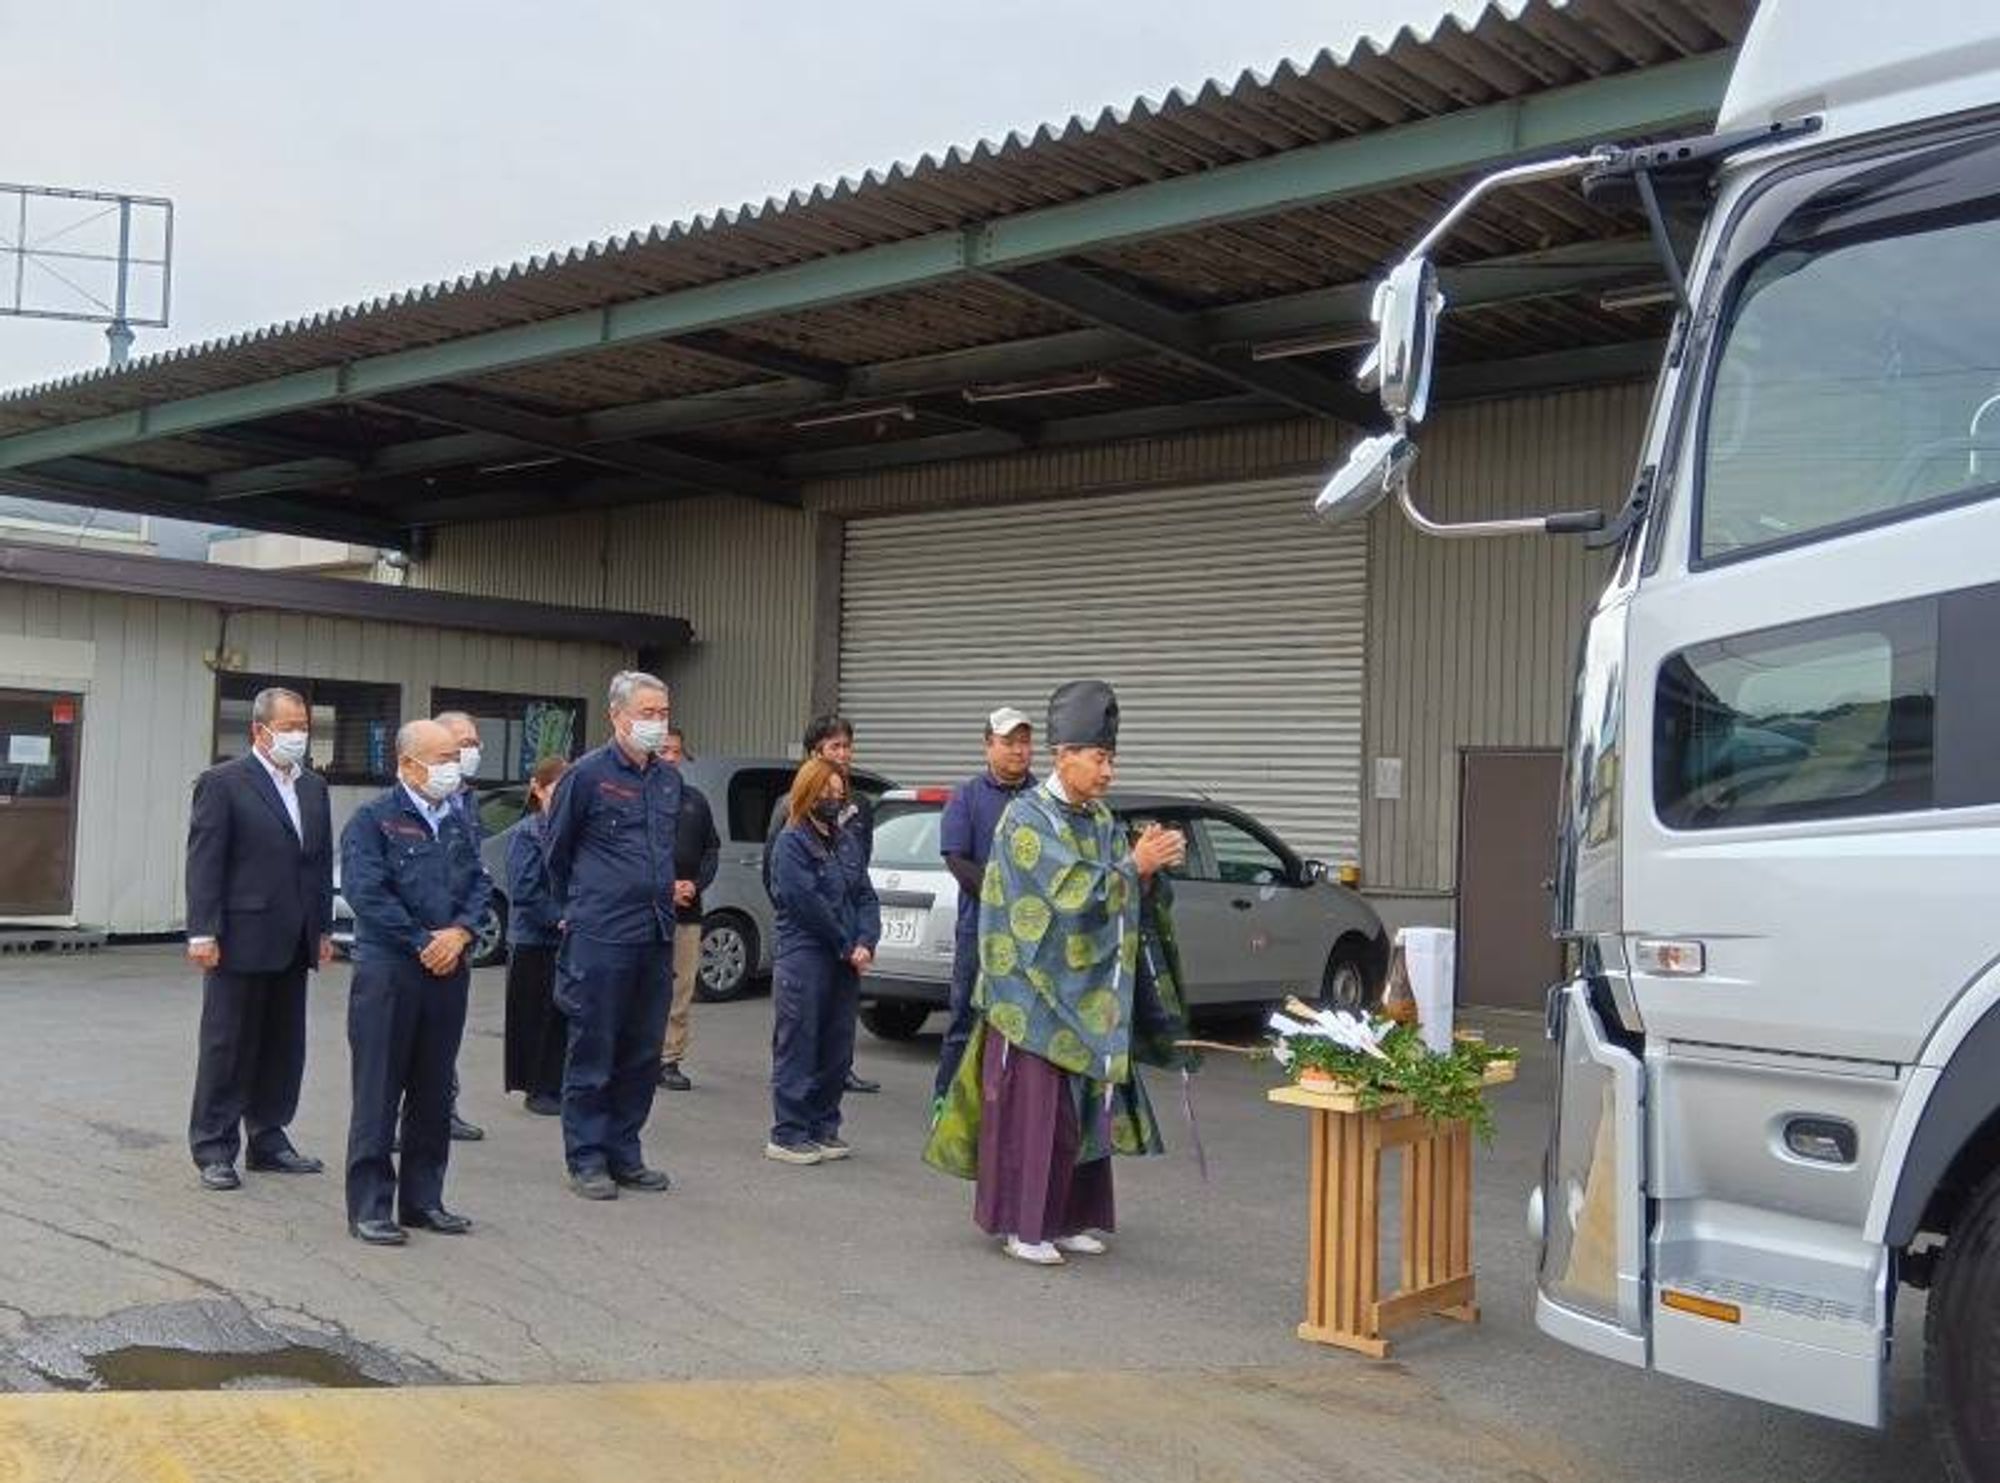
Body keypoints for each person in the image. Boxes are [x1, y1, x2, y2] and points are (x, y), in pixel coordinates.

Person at [923, 680, 1194, 1266]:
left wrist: (1144, 868)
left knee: (1080, 1113)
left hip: (1084, 993)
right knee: (1035, 1115)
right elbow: (1068, 892)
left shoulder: (1097, 818)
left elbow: (1113, 889)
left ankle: (1069, 1216)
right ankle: (1025, 1226)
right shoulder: (1026, 819)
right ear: (1064, 755)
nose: (1107, 772)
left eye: (1111, 760)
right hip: (1033, 997)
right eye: (1100, 759)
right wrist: (1132, 866)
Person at [338, 719, 492, 1246]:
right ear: (407, 764)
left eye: (456, 756)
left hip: (449, 970)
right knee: (379, 1089)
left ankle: (424, 1200)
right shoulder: (373, 820)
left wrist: (462, 932)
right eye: (443, 757)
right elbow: (367, 894)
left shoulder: (459, 818)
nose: (453, 767)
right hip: (391, 970)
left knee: (431, 1089)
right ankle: (370, 1206)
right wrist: (423, 940)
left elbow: (479, 884)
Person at [184, 686, 334, 1192]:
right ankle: (214, 1146)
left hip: (294, 937)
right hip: (240, 935)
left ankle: (268, 1136)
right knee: (228, 1043)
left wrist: (323, 929)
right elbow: (205, 861)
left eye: (303, 726)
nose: (297, 735)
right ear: (259, 730)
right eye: (288, 726)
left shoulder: (313, 787)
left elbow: (316, 862)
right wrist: (203, 932)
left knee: (282, 1043)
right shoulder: (223, 782)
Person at [542, 671, 681, 1201]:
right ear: (617, 717)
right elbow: (556, 853)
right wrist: (576, 909)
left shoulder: (668, 780)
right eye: (647, 713)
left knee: (642, 1050)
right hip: (601, 935)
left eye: (663, 713)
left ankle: (625, 1151)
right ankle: (587, 1157)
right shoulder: (588, 776)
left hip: (654, 930)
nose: (657, 723)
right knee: (593, 1047)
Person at [764, 758, 881, 1165]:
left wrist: (867, 939)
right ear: (807, 794)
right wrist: (847, 944)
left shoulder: (846, 841)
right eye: (825, 793)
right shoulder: (791, 843)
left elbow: (864, 894)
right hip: (806, 954)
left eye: (838, 793)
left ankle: (823, 1126)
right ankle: (788, 1131)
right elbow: (806, 903)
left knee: (836, 1045)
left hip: (845, 957)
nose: (833, 800)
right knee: (799, 1042)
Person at [932, 705, 1037, 1117]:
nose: (1018, 751)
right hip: (979, 928)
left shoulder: (1042, 798)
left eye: (1025, 742)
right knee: (965, 1017)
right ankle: (948, 1098)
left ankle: (1011, 1105)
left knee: (1022, 1022)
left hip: (1033, 934)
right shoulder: (968, 797)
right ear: (988, 746)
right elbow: (956, 859)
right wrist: (1001, 899)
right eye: (1009, 742)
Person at [432, 710, 488, 1143]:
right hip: (423, 940)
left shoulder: (467, 801)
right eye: (462, 743)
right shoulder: (410, 802)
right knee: (407, 1036)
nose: (471, 752)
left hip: (459, 937)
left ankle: (442, 1108)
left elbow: (477, 875)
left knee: (447, 1031)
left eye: (474, 744)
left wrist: (465, 928)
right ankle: (400, 1117)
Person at [503, 756, 569, 1116]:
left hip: (567, 938)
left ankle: (557, 1083)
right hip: (535, 939)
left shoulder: (570, 831)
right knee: (534, 1016)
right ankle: (536, 1087)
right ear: (539, 790)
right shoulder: (527, 833)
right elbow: (525, 891)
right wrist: (559, 918)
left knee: (562, 1017)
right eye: (556, 790)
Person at [657, 727, 719, 1092]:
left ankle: (669, 1060)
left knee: (681, 989)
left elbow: (711, 850)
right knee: (641, 988)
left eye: (676, 752)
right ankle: (637, 1057)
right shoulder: (636, 797)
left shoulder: (696, 801)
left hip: (688, 913)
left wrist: (694, 884)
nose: (669, 757)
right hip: (645, 910)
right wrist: (664, 887)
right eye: (663, 750)